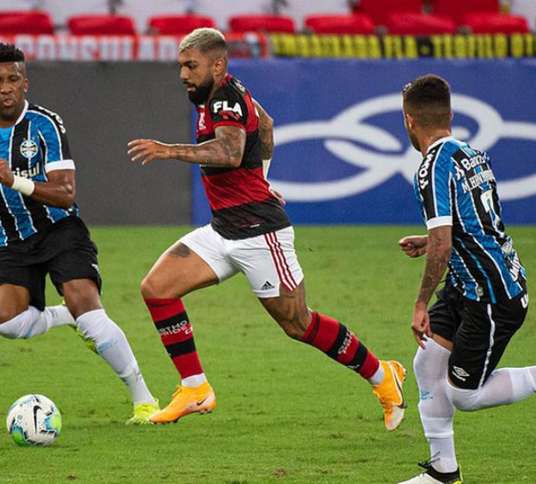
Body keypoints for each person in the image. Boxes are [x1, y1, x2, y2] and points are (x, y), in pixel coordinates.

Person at [126, 28, 406, 428]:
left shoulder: (225, 97)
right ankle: (194, 388)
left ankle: (383, 376)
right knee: (157, 288)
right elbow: (268, 125)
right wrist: (265, 179)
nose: (183, 74)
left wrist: (170, 151)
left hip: (260, 234)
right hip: (223, 230)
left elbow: (230, 151)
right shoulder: (220, 94)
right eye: (181, 66)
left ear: (217, 64)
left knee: (298, 323)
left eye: (191, 65)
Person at [396, 74, 536, 484]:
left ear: (408, 121)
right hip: (466, 284)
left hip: (493, 296)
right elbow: (479, 224)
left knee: (464, 394)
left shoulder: (431, 168)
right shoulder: (472, 154)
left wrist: (421, 301)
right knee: (427, 363)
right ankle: (443, 472)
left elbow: (446, 242)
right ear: (450, 115)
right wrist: (431, 240)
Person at [0, 43, 158, 424]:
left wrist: (16, 181)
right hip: (11, 242)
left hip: (60, 230)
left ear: (25, 83)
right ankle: (66, 316)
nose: (6, 87)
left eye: (13, 79)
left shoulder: (46, 124)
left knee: (90, 313)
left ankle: (144, 400)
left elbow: (66, 194)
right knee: (5, 320)